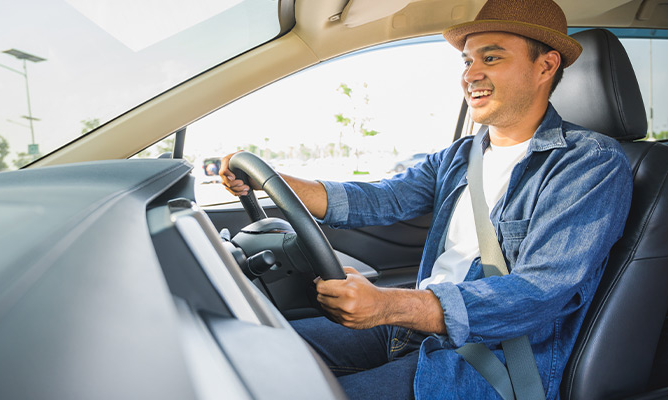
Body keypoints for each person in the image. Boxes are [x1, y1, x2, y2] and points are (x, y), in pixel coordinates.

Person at [219, 0, 632, 398]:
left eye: (491, 58)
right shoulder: (460, 155)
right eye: (468, 61)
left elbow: (539, 290)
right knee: (246, 352)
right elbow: (380, 199)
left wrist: (389, 305)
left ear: (545, 66)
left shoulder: (589, 164)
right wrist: (270, 180)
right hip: (413, 328)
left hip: (491, 361)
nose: (471, 74)